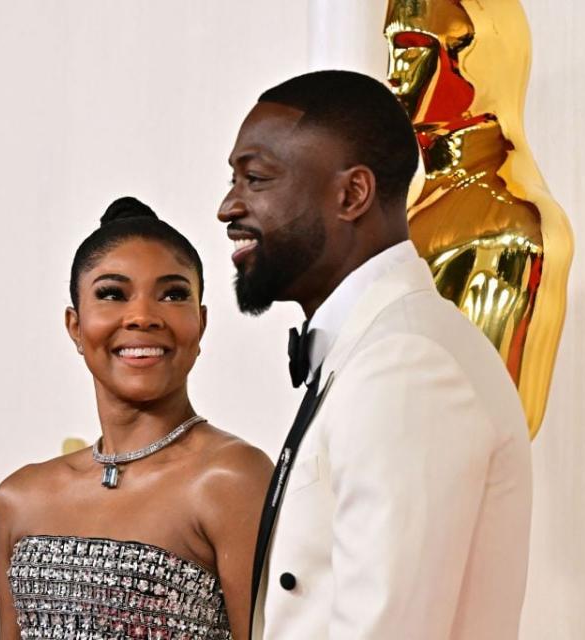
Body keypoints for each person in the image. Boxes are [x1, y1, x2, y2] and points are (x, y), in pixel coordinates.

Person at [218, 70, 532, 639]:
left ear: (351, 195)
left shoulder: (408, 363)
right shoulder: (379, 345)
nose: (227, 207)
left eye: (255, 178)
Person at [0, 197, 273, 640]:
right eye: (112, 294)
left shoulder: (232, 479)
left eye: (173, 294)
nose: (142, 316)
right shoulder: (19, 499)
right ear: (75, 326)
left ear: (200, 324)